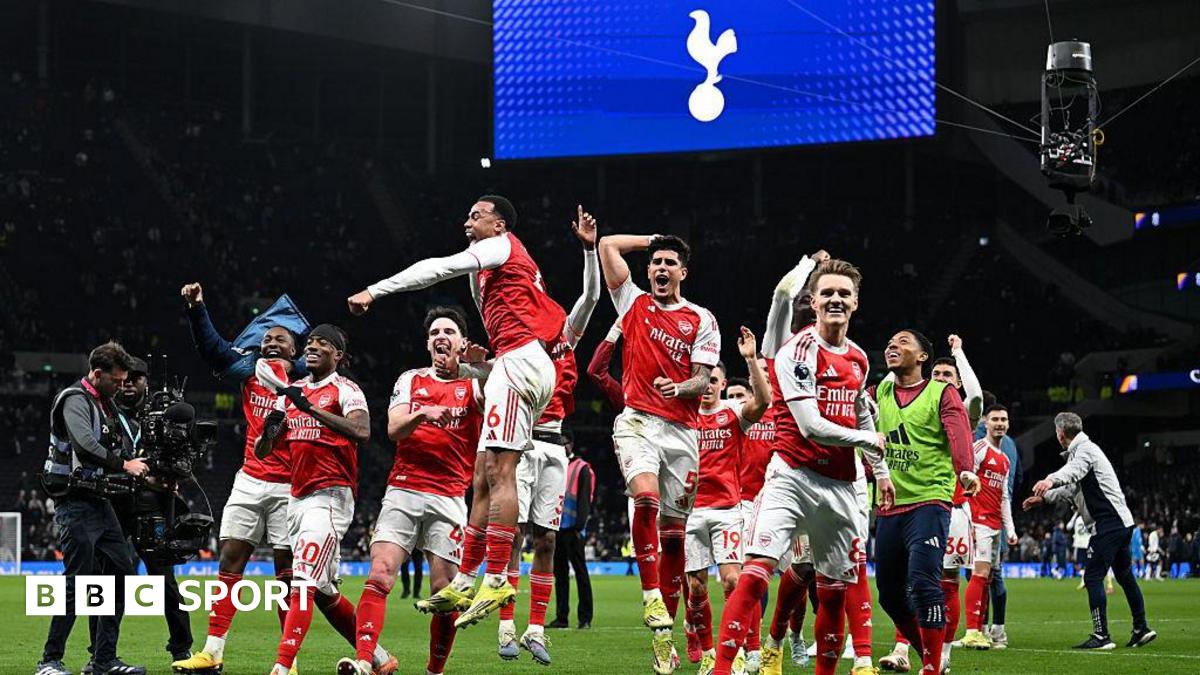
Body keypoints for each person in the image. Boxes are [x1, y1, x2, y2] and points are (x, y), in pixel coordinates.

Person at [349, 195, 567, 630]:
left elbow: (439, 267)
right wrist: (480, 365)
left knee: (499, 472)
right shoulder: (488, 277)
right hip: (520, 364)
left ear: (500, 224)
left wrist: (377, 290)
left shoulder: (502, 247)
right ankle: (466, 577)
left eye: (476, 215)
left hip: (521, 361)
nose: (466, 220)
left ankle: (497, 577)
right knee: (485, 471)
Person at [713, 259, 892, 675]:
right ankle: (723, 668)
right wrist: (868, 441)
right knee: (756, 574)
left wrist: (879, 471)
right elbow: (811, 426)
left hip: (844, 486)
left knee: (832, 593)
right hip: (792, 477)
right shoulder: (797, 350)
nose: (835, 299)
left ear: (856, 303)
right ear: (812, 301)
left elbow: (861, 411)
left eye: (843, 293)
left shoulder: (860, 358)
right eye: (827, 292)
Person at [597, 231, 721, 674]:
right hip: (637, 421)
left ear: (683, 273)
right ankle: (651, 597)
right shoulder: (631, 302)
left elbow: (703, 378)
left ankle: (666, 636)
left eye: (670, 262)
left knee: (675, 539)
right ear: (647, 270)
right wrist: (653, 239)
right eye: (656, 262)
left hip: (683, 433)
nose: (662, 268)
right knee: (644, 497)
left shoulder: (701, 318)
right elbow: (608, 245)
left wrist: (680, 386)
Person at [338, 308, 483, 675]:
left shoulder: (476, 382)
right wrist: (423, 413)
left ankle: (434, 671)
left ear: (462, 343)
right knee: (381, 574)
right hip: (404, 488)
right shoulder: (412, 379)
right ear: (428, 343)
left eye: (449, 331)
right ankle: (365, 661)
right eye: (434, 331)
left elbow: (510, 387)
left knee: (444, 593)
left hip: (449, 496)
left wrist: (487, 366)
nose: (440, 336)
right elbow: (393, 428)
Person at [173, 283, 307, 675]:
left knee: (287, 573)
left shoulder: (305, 383)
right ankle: (213, 650)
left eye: (279, 338)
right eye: (265, 338)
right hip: (249, 479)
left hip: (289, 486)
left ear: (294, 349)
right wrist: (198, 309)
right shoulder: (249, 373)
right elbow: (213, 348)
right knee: (230, 561)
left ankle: (289, 661)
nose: (269, 343)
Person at [254, 324, 396, 675]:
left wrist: (310, 409)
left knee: (301, 581)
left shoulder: (346, 390)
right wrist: (273, 425)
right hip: (296, 497)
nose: (313, 347)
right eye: (310, 343)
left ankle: (282, 667)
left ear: (339, 356)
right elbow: (263, 449)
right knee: (322, 591)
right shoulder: (293, 391)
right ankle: (379, 659)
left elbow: (362, 432)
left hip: (330, 495)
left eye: (324, 344)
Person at [492, 207, 601, 665]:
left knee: (547, 541)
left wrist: (590, 250)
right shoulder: (517, 344)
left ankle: (537, 628)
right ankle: (505, 625)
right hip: (523, 442)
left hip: (555, 446)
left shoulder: (564, 340)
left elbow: (592, 296)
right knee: (513, 534)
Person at [37, 342, 149, 675]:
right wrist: (124, 463)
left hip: (99, 501)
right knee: (77, 582)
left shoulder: (104, 403)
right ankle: (49, 661)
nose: (121, 386)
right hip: (74, 501)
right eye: (116, 380)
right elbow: (85, 446)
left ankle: (103, 660)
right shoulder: (75, 399)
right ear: (97, 374)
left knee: (122, 573)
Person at [872, 329, 977, 675]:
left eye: (903, 342)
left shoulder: (941, 393)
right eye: (890, 342)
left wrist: (965, 470)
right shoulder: (880, 391)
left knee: (922, 581)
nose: (892, 345)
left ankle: (932, 667)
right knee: (888, 594)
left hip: (930, 501)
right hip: (888, 504)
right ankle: (930, 660)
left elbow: (959, 431)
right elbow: (854, 419)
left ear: (922, 357)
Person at [82, 357, 192, 672]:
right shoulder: (102, 412)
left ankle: (182, 650)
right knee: (104, 583)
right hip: (112, 504)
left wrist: (160, 475)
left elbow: (182, 465)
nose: (129, 384)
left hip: (151, 506)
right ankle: (100, 654)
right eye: (125, 379)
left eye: (137, 378)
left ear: (146, 382)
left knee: (165, 581)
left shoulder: (163, 415)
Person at [1023, 412, 1157, 650]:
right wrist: (1044, 499)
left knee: (1092, 577)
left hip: (1109, 524)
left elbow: (1071, 473)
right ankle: (1141, 628)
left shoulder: (1085, 451)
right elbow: (1072, 489)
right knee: (1125, 577)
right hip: (1121, 523)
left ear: (1060, 434)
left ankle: (1101, 635)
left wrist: (1049, 480)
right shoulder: (1083, 452)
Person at [686, 338, 770, 675]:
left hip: (727, 510)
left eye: (714, 380)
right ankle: (707, 651)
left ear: (721, 384)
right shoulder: (682, 417)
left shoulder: (733, 414)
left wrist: (750, 361)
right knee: (695, 587)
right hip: (690, 511)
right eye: (702, 379)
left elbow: (764, 401)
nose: (707, 386)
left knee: (734, 581)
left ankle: (735, 652)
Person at [959, 405, 1018, 653]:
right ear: (986, 422)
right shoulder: (979, 448)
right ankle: (973, 631)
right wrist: (969, 519)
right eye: (995, 419)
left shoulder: (1004, 459)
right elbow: (963, 476)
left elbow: (1004, 496)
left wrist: (1010, 529)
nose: (1000, 423)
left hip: (995, 525)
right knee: (980, 574)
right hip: (978, 520)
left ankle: (980, 631)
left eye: (1003, 419)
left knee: (988, 577)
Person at [550, 434, 596, 630]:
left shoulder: (582, 467)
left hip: (573, 529)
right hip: (556, 527)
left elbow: (585, 499)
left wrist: (579, 527)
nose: (562, 446)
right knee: (560, 574)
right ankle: (562, 617)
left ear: (571, 444)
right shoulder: (556, 465)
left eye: (565, 443)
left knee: (580, 573)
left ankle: (585, 618)